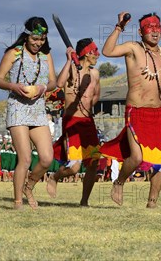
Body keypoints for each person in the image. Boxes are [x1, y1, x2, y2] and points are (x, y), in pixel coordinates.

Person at [100, 12, 161, 208]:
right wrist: (119, 27)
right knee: (137, 157)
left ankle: (152, 203)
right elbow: (107, 51)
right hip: (136, 110)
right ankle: (119, 182)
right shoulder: (133, 49)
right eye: (149, 28)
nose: (154, 31)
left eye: (157, 27)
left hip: (158, 112)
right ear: (141, 32)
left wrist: (156, 91)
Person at [0, 17, 57, 209]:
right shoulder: (14, 53)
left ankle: (28, 186)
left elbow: (54, 82)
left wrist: (43, 87)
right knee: (26, 157)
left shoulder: (46, 56)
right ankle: (18, 202)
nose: (38, 43)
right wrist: (13, 86)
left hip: (37, 109)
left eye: (42, 39)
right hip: (17, 108)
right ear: (27, 35)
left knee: (46, 158)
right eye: (35, 39)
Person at [47, 38, 102, 206]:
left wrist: (86, 108)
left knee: (93, 163)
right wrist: (69, 59)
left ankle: (84, 201)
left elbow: (96, 97)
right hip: (71, 121)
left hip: (88, 122)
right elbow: (59, 83)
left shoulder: (95, 74)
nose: (97, 55)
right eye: (94, 52)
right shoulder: (71, 69)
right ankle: (54, 176)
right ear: (86, 53)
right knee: (75, 167)